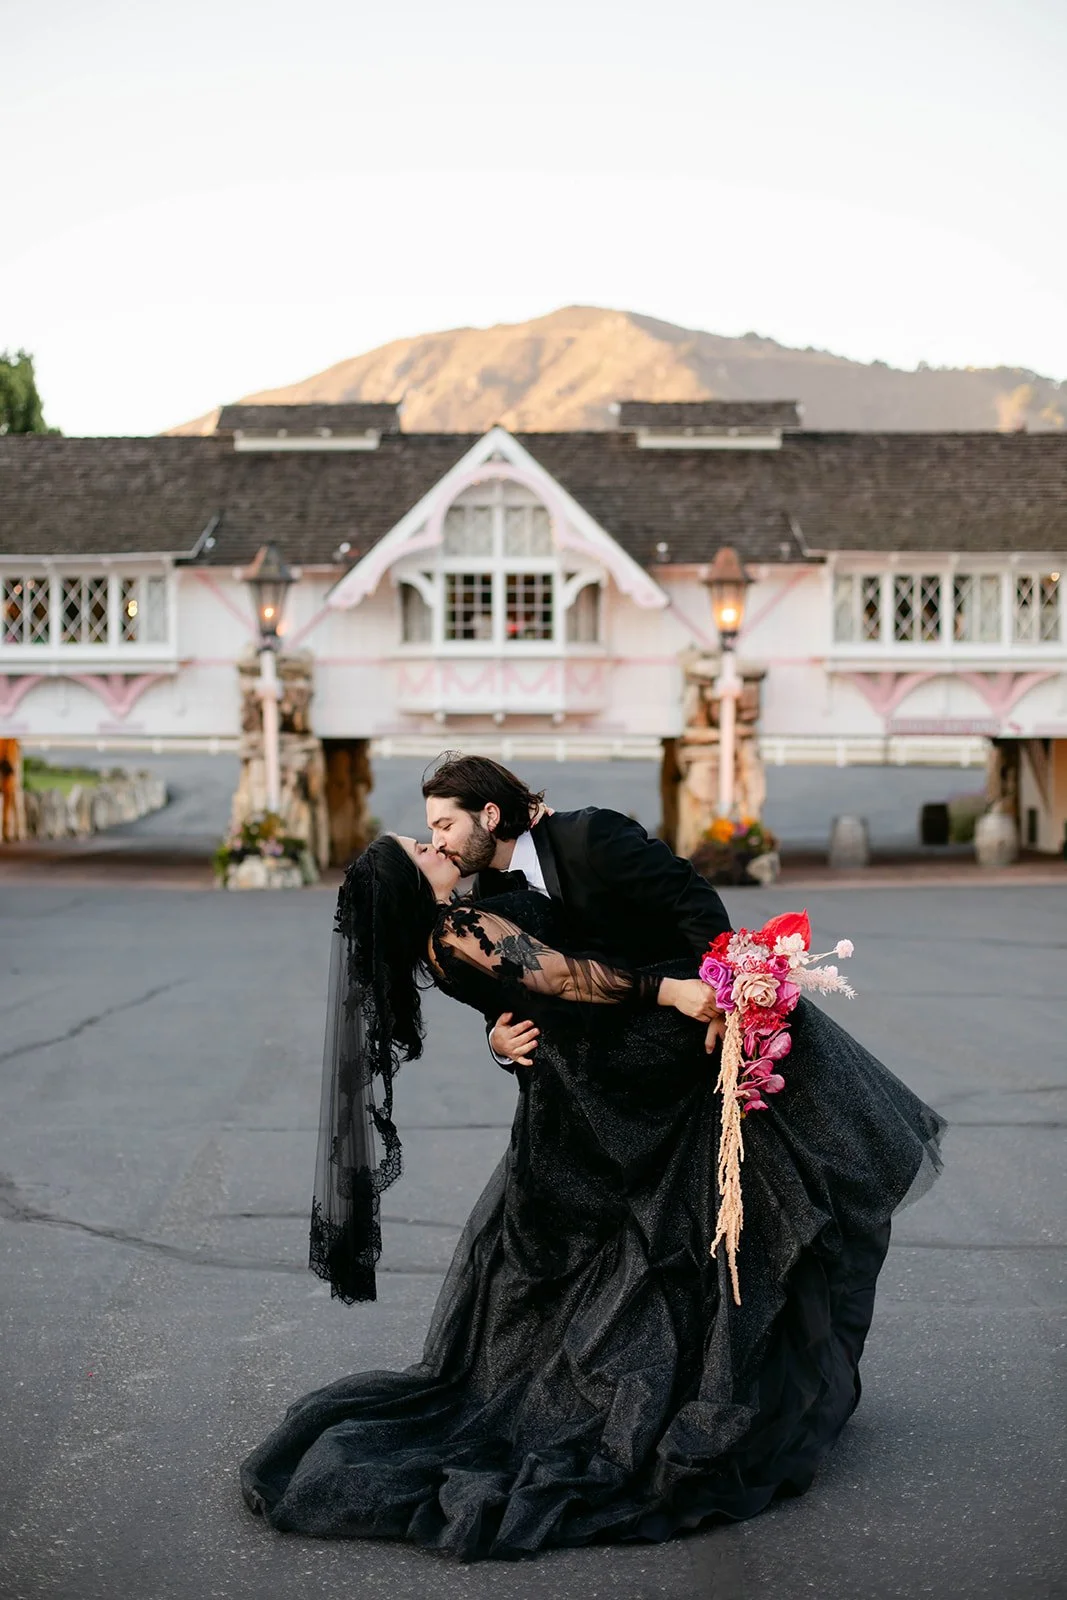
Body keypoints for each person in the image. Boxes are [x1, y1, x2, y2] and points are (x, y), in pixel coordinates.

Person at [239, 831, 944, 1562]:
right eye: (419, 846)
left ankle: (694, 1386)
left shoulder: (464, 915)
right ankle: (672, 1397)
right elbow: (560, 978)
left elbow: (531, 974)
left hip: (598, 1089)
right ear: (407, 881)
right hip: (605, 1091)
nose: (433, 840)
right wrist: (669, 988)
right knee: (669, 1244)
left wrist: (498, 1032)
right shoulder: (453, 926)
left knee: (661, 1246)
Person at [421, 753, 733, 1068]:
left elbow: (690, 898)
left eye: (445, 826)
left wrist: (722, 999)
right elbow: (511, 987)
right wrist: (498, 1042)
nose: (437, 843)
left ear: (490, 815)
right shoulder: (485, 898)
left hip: (682, 1026)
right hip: (594, 1069)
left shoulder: (590, 836)